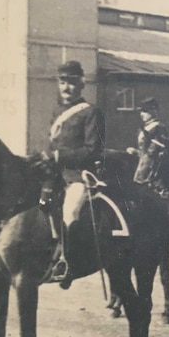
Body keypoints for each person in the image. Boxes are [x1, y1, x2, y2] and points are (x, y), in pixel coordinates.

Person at [38, 60, 106, 284]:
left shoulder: (91, 112)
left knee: (70, 210)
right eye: (63, 82)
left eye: (72, 83)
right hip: (54, 174)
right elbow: (51, 143)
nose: (66, 88)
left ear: (81, 85)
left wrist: (60, 156)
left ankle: (68, 262)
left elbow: (92, 149)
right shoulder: (57, 112)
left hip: (78, 175)